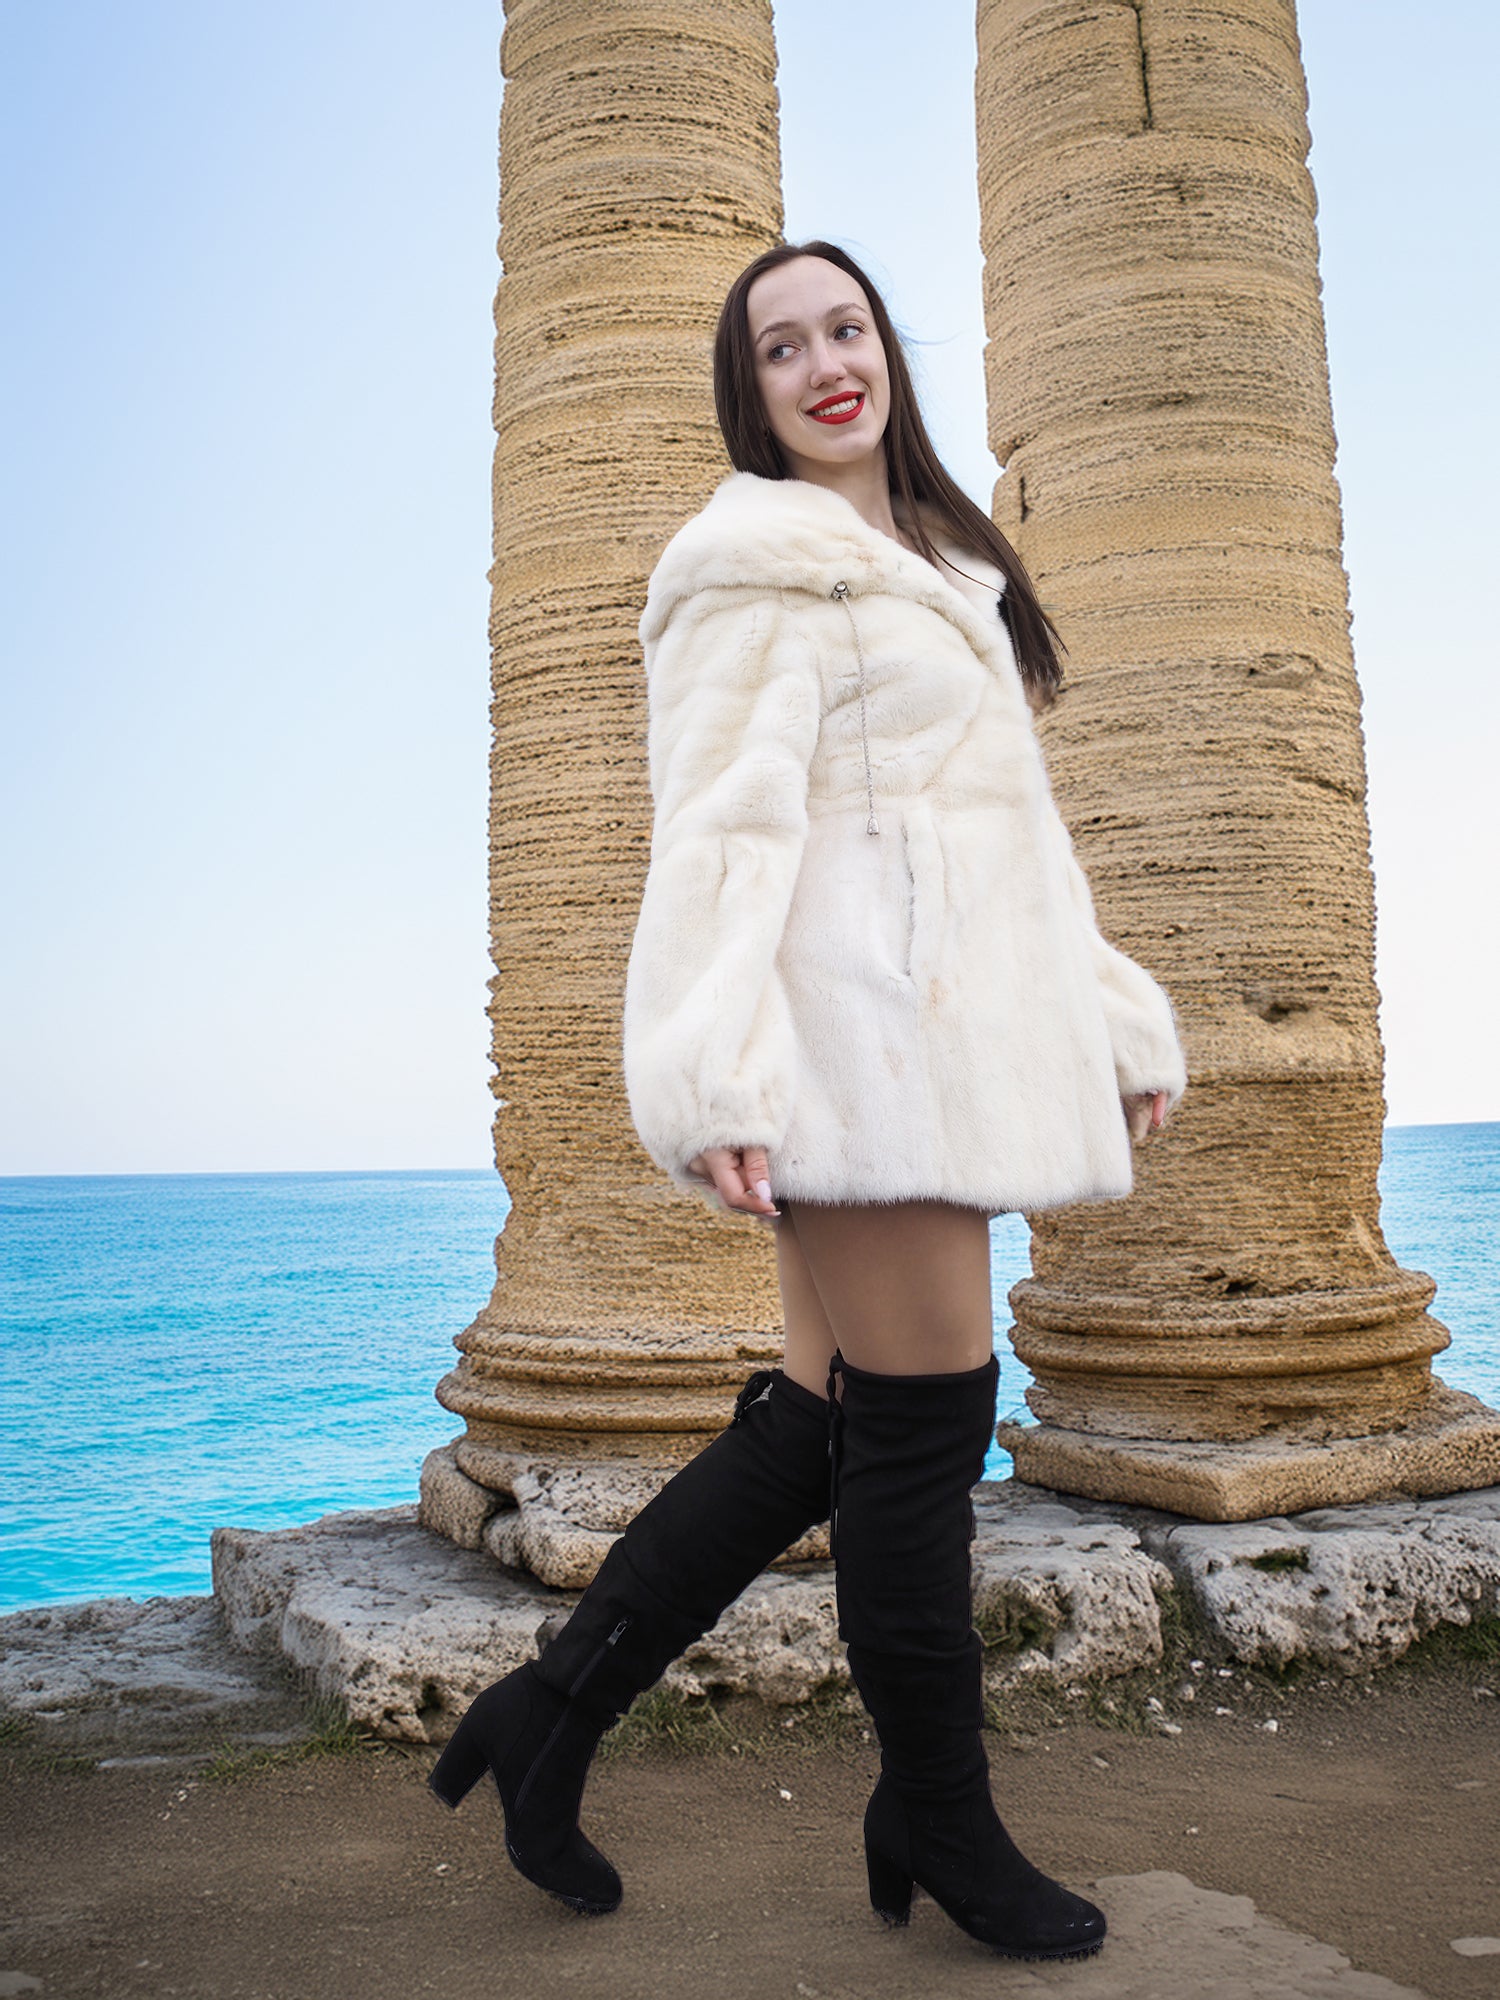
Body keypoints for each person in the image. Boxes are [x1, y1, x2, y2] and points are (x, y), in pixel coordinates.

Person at [428, 239, 1187, 1962]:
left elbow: (1013, 856)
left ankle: (548, 1719)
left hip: (943, 1028)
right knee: (924, 1429)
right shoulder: (754, 570)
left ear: (886, 354)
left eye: (848, 329)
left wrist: (1107, 1018)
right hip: (857, 1047)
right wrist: (713, 1075)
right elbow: (720, 837)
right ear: (749, 392)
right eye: (784, 348)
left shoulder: (932, 560)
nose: (829, 364)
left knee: (822, 1421)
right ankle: (942, 1811)